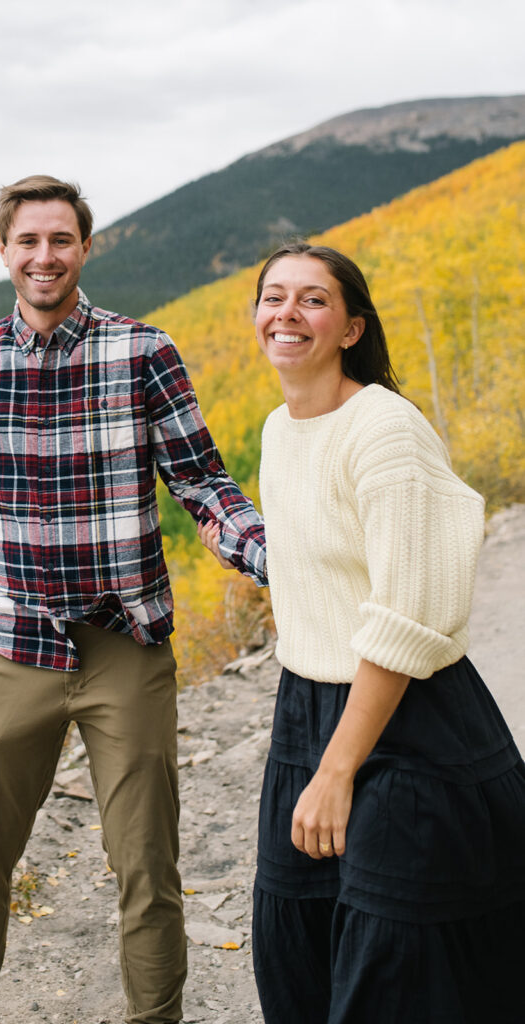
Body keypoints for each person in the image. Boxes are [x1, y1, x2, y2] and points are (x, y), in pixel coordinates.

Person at [0, 174, 266, 1024]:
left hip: (125, 647)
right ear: (2, 250)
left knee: (146, 865)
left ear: (85, 247)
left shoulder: (142, 351)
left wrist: (268, 553)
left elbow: (202, 483)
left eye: (60, 240)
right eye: (27, 241)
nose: (44, 256)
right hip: (11, 647)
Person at [199, 241, 525, 1023]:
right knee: (298, 955)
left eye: (312, 298)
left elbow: (404, 614)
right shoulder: (281, 429)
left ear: (350, 328)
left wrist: (337, 770)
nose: (286, 312)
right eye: (272, 296)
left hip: (409, 728)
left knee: (398, 971)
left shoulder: (384, 430)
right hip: (302, 713)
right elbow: (315, 563)